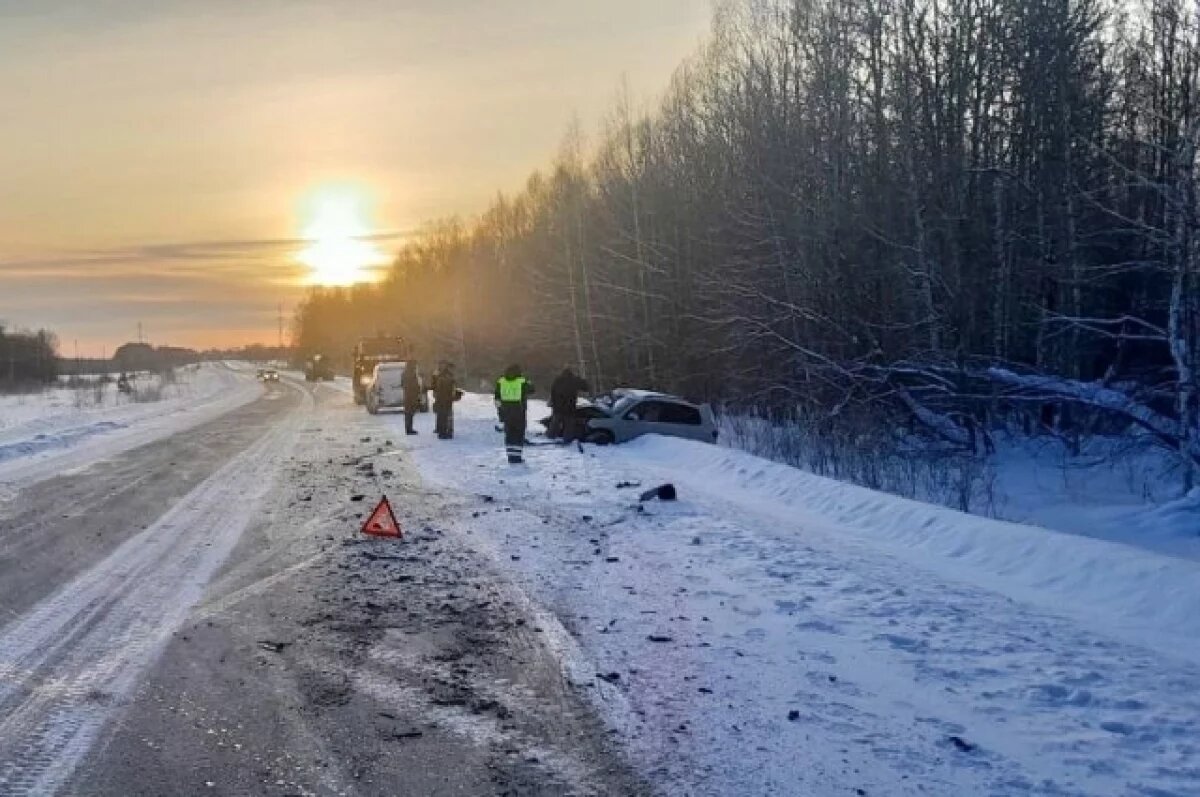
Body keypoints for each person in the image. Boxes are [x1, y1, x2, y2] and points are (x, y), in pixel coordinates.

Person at [494, 364, 535, 463]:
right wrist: (529, 382)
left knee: (509, 434)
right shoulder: (522, 381)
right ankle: (517, 457)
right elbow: (532, 390)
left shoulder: (501, 381)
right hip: (519, 410)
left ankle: (510, 456)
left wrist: (500, 412)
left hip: (505, 411)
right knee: (518, 433)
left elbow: (497, 398)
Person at [549, 366, 590, 442]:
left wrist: (553, 402)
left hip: (558, 407)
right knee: (568, 426)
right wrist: (583, 379)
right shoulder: (574, 380)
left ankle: (551, 437)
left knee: (555, 424)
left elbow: (552, 392)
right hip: (570, 407)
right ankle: (567, 439)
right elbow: (586, 387)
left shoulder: (558, 380)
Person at [432, 361, 460, 439]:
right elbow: (451, 389)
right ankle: (445, 432)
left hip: (441, 399)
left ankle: (442, 432)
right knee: (446, 416)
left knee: (442, 416)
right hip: (446, 399)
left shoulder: (440, 376)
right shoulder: (448, 377)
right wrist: (455, 396)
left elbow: (436, 387)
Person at [401, 360, 422, 435]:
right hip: (411, 395)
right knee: (410, 413)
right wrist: (417, 390)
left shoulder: (405, 373)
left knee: (409, 413)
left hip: (408, 395)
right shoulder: (410, 373)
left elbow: (402, 384)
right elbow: (413, 385)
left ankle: (409, 428)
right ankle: (409, 429)